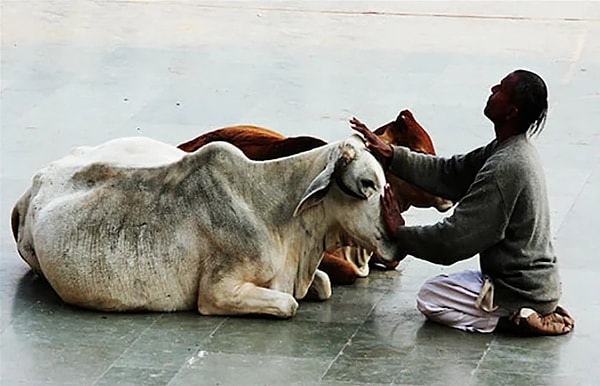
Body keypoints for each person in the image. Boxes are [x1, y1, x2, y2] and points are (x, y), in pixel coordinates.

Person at [350, 69, 575, 335]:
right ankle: (528, 310)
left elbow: (454, 240)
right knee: (447, 284)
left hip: (518, 289)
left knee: (430, 296)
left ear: (511, 112)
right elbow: (451, 173)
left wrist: (400, 233)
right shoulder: (510, 148)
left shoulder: (506, 164)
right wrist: (393, 156)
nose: (492, 89)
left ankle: (516, 319)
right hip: (531, 284)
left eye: (501, 89)